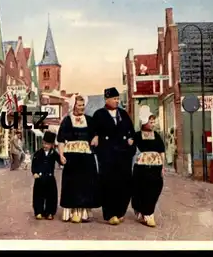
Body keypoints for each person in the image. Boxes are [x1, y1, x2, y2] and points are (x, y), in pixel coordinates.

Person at [91, 87, 136, 225]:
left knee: (125, 183)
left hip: (123, 155)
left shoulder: (123, 114)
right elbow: (93, 131)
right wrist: (96, 136)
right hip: (107, 155)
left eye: (118, 99)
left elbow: (131, 132)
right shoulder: (99, 114)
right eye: (114, 99)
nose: (117, 101)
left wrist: (131, 141)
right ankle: (110, 214)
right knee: (108, 184)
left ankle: (120, 211)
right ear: (107, 99)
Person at [57, 94, 100, 223]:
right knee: (72, 183)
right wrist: (61, 155)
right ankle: (73, 212)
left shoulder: (90, 120)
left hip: (86, 155)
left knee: (86, 183)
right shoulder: (66, 120)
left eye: (82, 105)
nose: (81, 108)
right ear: (73, 106)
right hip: (71, 156)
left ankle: (83, 213)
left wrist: (96, 137)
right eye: (79, 105)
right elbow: (60, 140)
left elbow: (97, 133)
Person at [132, 111, 166, 227]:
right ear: (144, 122)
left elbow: (162, 151)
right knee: (142, 189)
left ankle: (148, 212)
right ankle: (146, 214)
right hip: (141, 167)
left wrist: (163, 166)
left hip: (156, 166)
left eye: (153, 122)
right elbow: (129, 148)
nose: (153, 124)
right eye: (150, 122)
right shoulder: (136, 135)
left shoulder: (156, 135)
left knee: (156, 188)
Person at [31, 131, 59, 220]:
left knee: (51, 196)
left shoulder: (54, 153)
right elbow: (34, 164)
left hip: (50, 178)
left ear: (51, 145)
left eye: (47, 144)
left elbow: (60, 160)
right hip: (39, 178)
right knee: (38, 195)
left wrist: (63, 160)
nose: (45, 146)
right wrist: (34, 172)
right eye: (43, 143)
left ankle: (50, 212)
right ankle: (38, 212)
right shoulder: (38, 153)